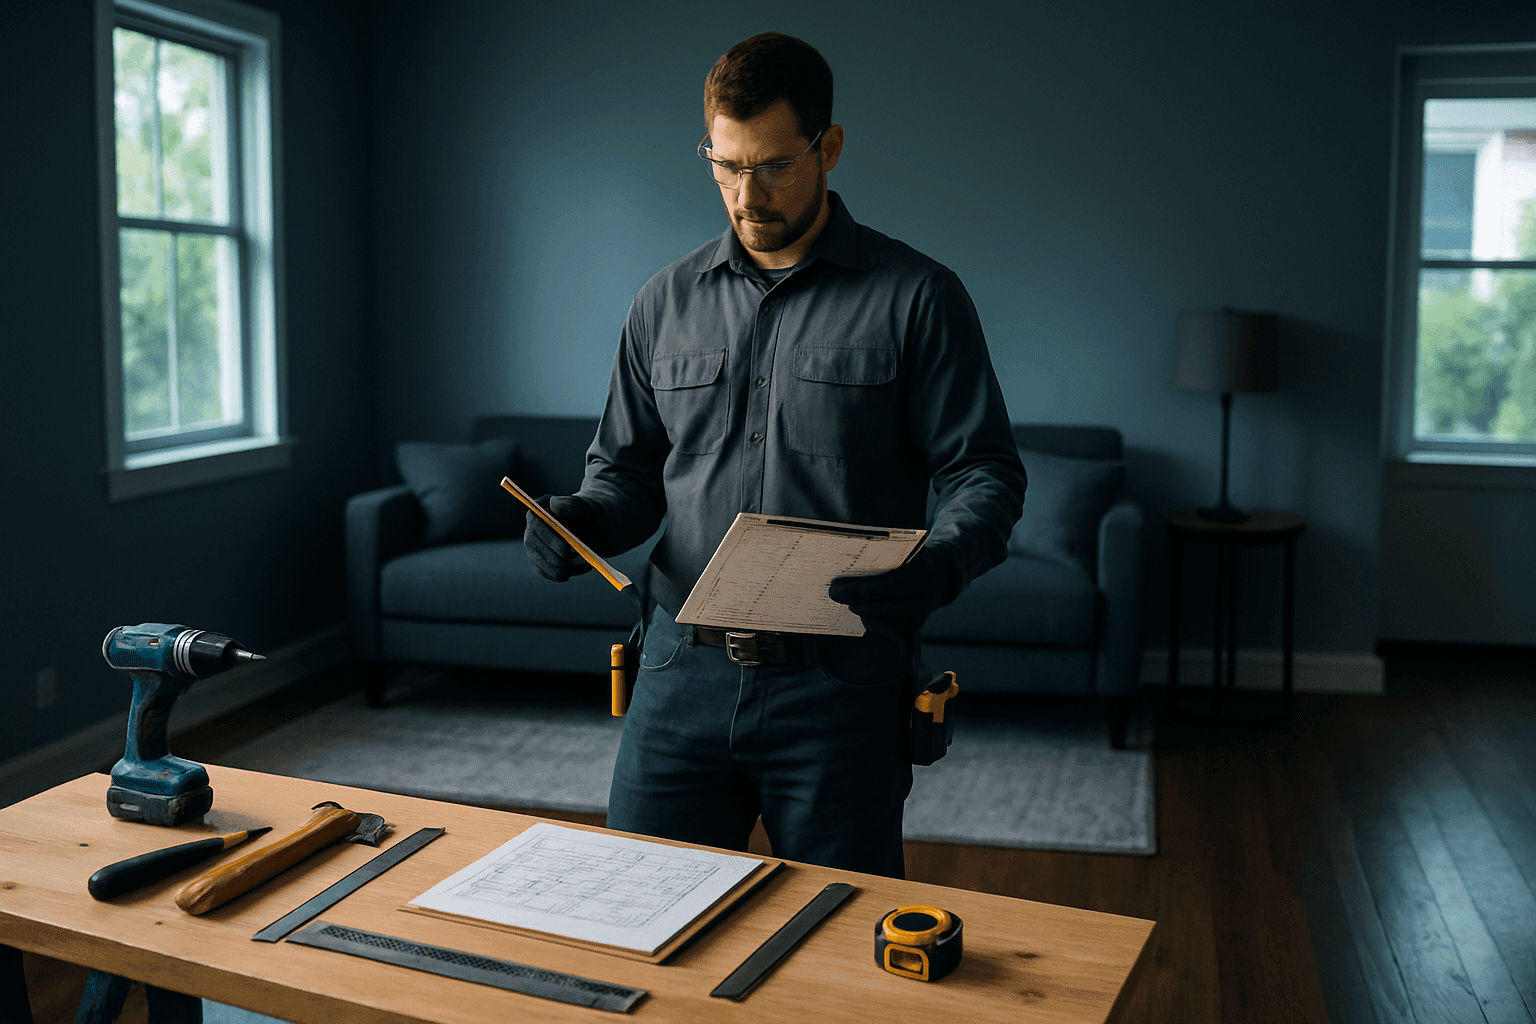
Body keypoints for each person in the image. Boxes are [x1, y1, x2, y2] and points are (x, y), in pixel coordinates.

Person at [524, 31, 1025, 878]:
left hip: (840, 688)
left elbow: (984, 472)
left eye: (772, 167)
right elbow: (627, 477)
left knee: (835, 958)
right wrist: (577, 522)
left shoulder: (920, 298)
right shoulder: (662, 302)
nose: (745, 195)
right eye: (724, 166)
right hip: (676, 676)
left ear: (828, 147)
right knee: (644, 926)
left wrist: (936, 566)